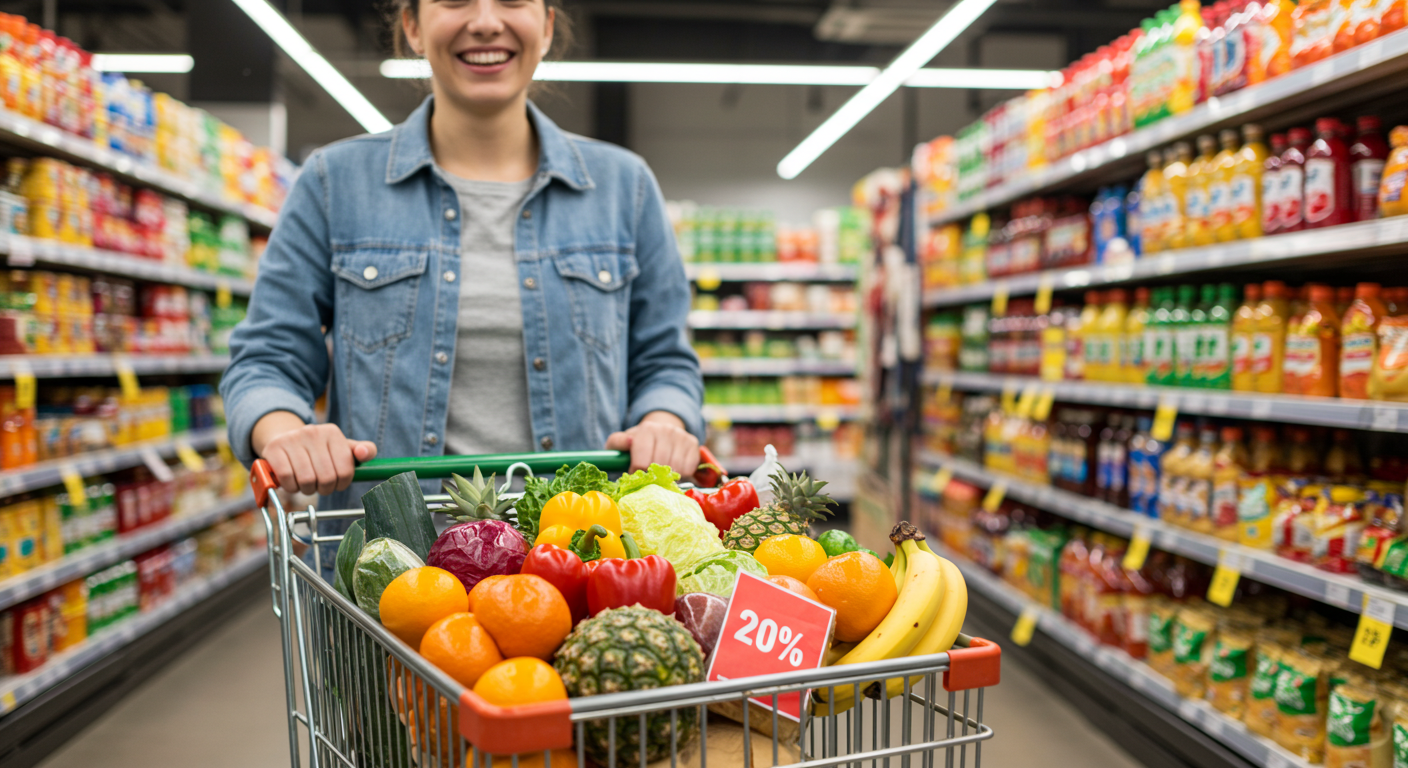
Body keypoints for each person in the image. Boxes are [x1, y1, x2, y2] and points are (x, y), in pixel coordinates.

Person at [220, 0, 703, 515]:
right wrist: (287, 432)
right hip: (395, 572)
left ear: (546, 26)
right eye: (455, 0)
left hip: (578, 558)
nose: (486, 20)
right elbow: (266, 359)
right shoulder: (333, 183)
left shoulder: (623, 187)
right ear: (412, 26)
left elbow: (666, 363)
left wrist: (664, 423)